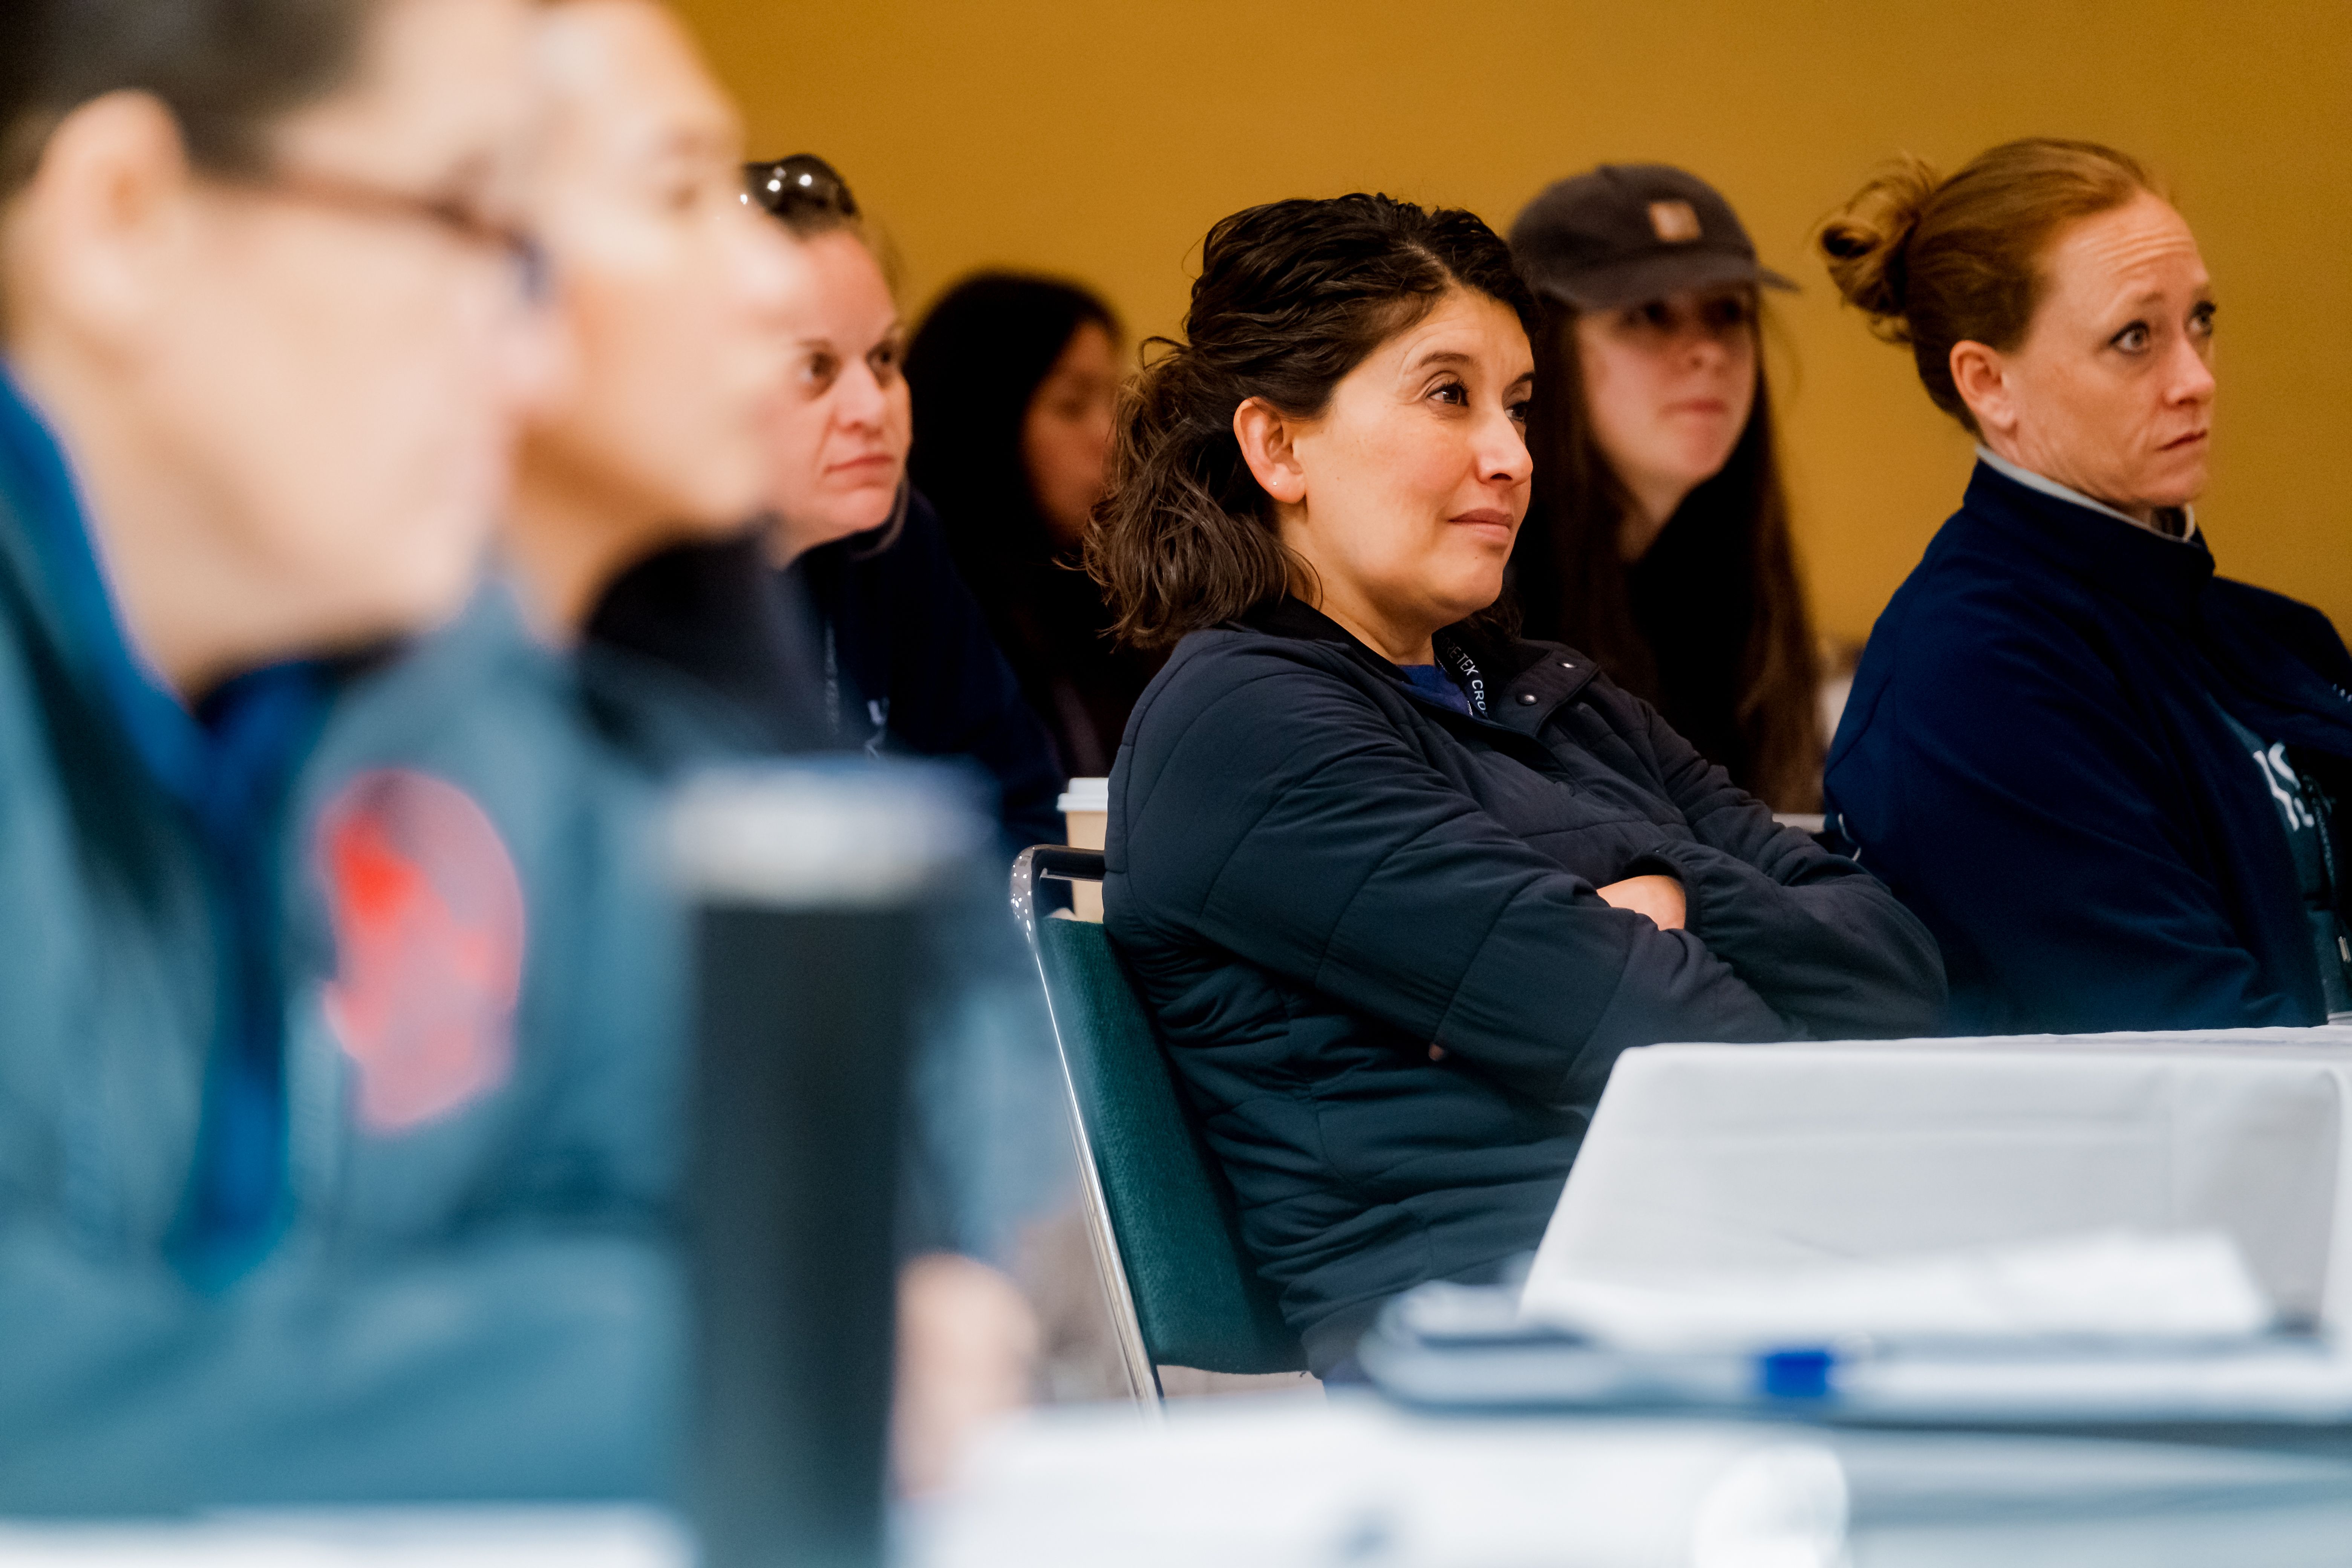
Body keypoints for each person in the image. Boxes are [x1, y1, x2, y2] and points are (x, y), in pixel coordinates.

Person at [1090, 193, 1945, 1377]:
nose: (1513, 456)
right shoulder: (1243, 725)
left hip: (1718, 1287)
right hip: (1501, 1351)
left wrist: (1665, 895)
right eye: (1450, 395)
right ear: (1278, 447)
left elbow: (1900, 969)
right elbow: (1677, 1035)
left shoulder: (1543, 692)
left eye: (1521, 406)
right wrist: (1638, 899)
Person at [0, 0, 661, 1507]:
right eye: (470, 224)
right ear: (123, 219)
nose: (537, 372)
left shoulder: (396, 679)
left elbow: (672, 1186)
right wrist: (673, 1371)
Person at [1818, 138, 2352, 1036]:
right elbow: (2198, 1042)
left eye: (2202, 319)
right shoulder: (1969, 677)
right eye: (2135, 338)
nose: (2196, 379)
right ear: (1989, 383)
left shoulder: (2278, 636)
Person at [1508, 165, 1824, 811]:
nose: (1708, 350)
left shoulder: (1733, 587)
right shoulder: (1487, 588)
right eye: (1649, 314)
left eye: (1728, 312)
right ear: (1544, 352)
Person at [908, 271, 1157, 779]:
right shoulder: (922, 616)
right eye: (1071, 406)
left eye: (1112, 400)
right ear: (986, 425)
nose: (1111, 439)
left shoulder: (1105, 601)